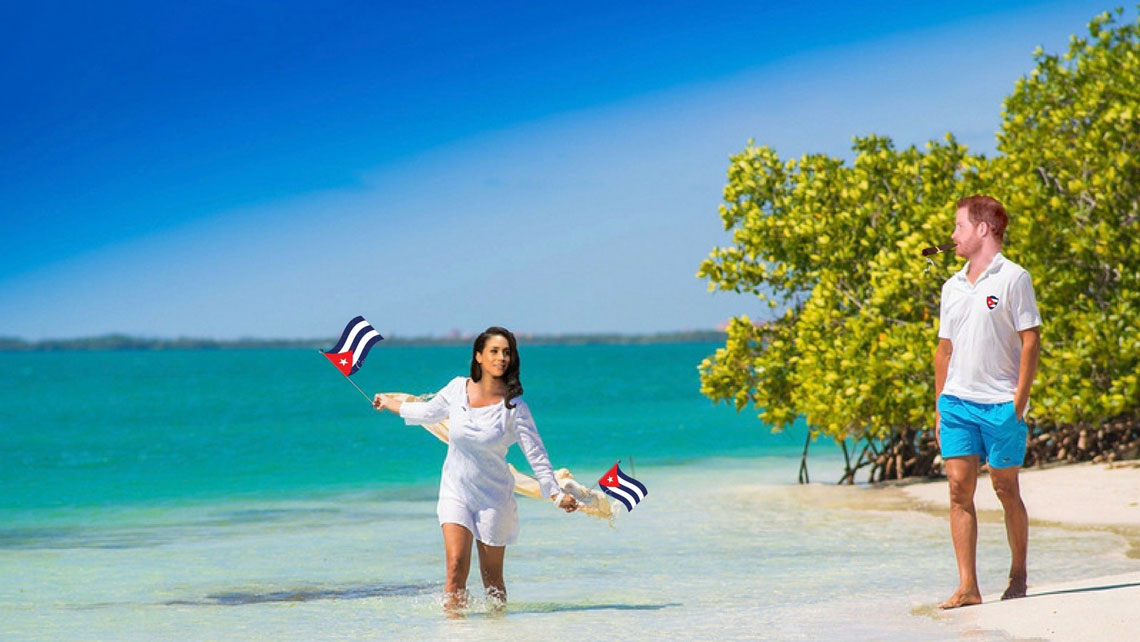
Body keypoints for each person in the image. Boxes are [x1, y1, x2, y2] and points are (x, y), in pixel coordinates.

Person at [372, 326, 578, 612]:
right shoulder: (457, 388)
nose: (501, 357)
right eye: (494, 351)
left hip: (494, 498)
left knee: (492, 581)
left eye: (507, 352)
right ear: (479, 356)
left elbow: (537, 455)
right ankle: (455, 631)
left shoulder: (515, 408)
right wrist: (390, 403)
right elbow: (428, 412)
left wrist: (556, 495)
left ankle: (496, 631)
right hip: (456, 490)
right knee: (455, 567)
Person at [934, 195, 1041, 609]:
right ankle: (968, 587)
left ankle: (1018, 574)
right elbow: (944, 348)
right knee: (959, 490)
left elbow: (1030, 338)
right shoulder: (952, 286)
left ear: (982, 229)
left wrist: (1020, 398)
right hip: (957, 403)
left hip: (1001, 403)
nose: (952, 236)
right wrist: (939, 403)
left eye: (958, 227)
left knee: (1004, 487)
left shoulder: (1014, 277)